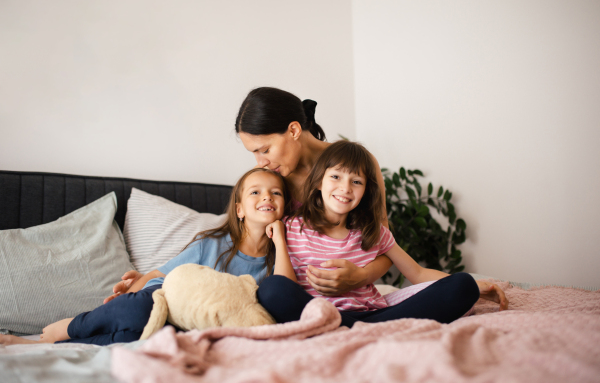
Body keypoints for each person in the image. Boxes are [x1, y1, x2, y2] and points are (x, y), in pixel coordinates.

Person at [0, 168, 291, 346]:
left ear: (284, 207)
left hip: (190, 327)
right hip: (165, 302)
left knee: (144, 337)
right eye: (256, 192)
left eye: (275, 193)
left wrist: (280, 240)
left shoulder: (279, 258)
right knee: (142, 309)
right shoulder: (212, 244)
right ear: (239, 209)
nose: (267, 197)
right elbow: (158, 276)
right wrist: (129, 292)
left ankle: (59, 344)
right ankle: (67, 327)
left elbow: (284, 293)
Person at [261, 140, 508, 328]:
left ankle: (358, 328)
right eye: (335, 177)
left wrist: (477, 287)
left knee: (462, 285)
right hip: (317, 313)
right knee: (271, 289)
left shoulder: (374, 232)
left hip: (373, 314)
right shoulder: (292, 226)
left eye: (356, 181)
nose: (345, 188)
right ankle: (352, 327)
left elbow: (418, 273)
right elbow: (284, 285)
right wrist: (280, 239)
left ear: (366, 190)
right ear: (318, 182)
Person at [236, 87, 393, 296]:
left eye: (265, 150)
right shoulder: (268, 182)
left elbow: (385, 245)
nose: (261, 163)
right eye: (254, 153)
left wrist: (361, 277)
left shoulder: (356, 165)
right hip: (296, 297)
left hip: (353, 298)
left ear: (294, 130)